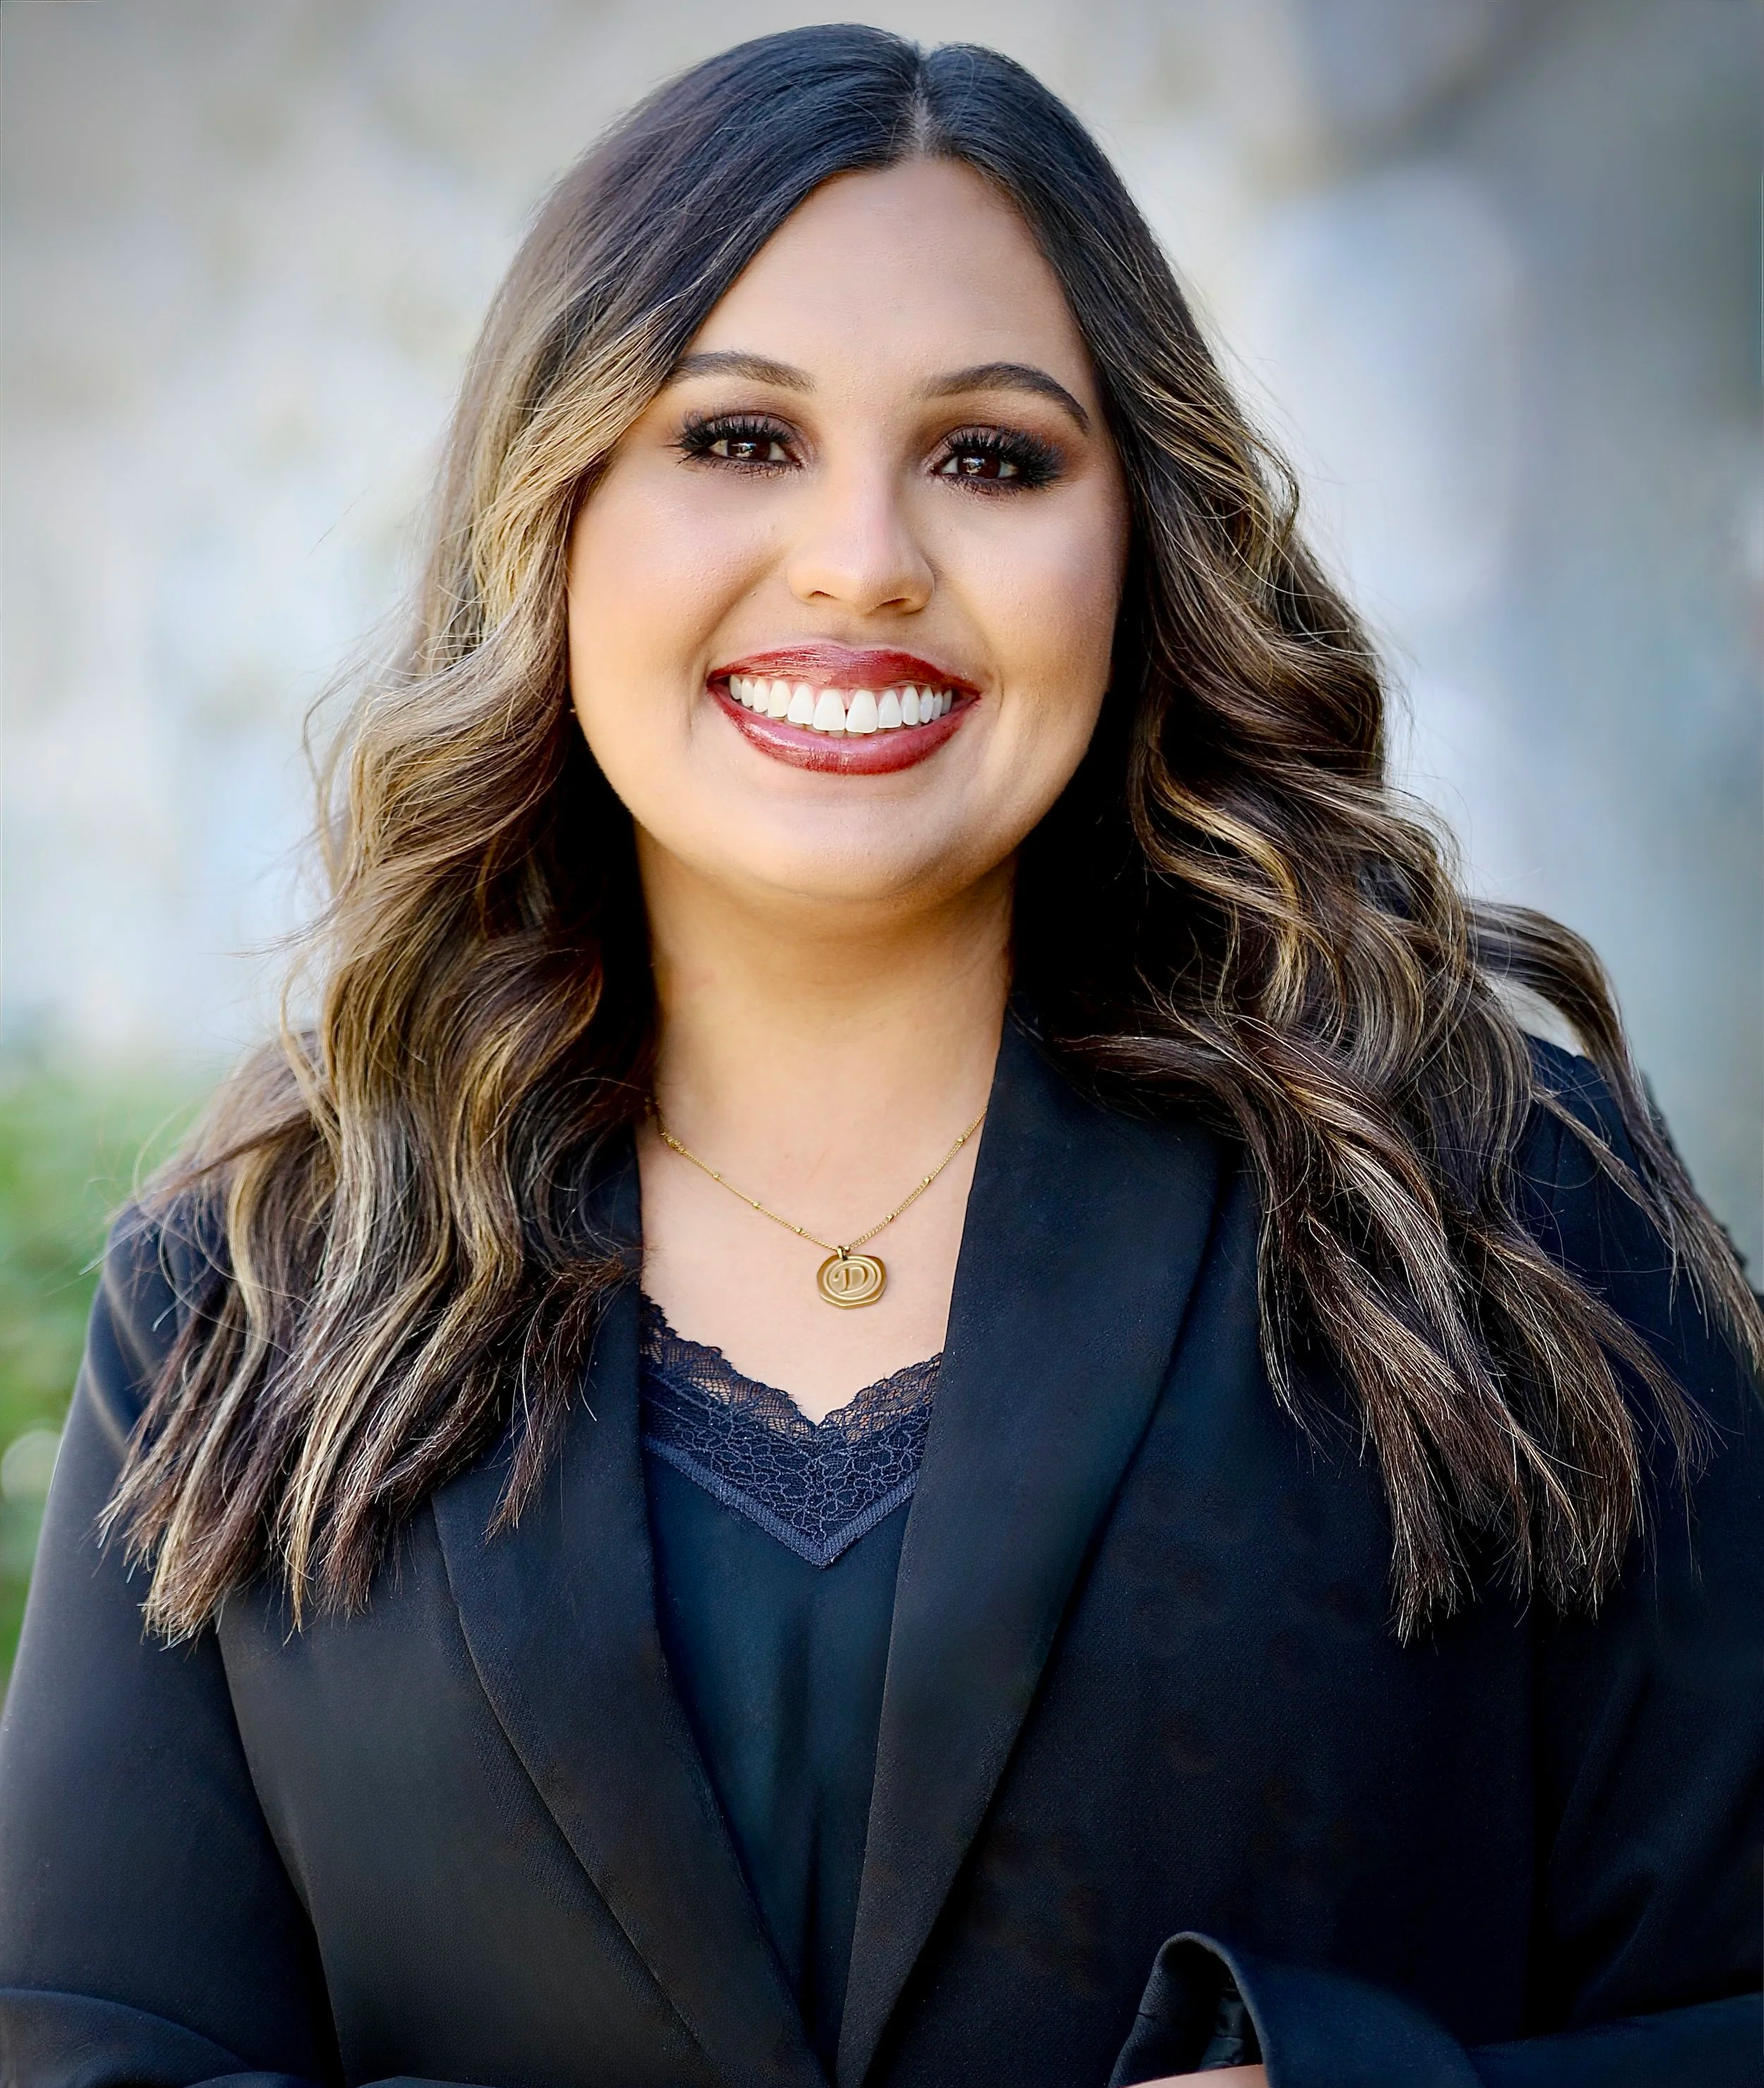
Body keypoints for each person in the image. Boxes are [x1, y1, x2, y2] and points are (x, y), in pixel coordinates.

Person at [1, 26, 1758, 2088]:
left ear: (1140, 543)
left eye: (991, 455)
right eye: (736, 438)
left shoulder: (1500, 1206)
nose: (862, 559)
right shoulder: (246, 1296)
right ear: (550, 514)